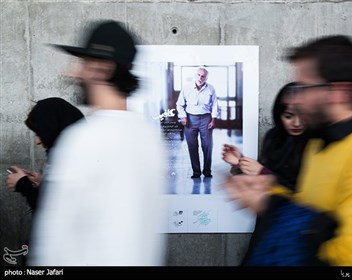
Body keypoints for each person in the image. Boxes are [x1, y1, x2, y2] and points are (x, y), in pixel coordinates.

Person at [224, 35, 352, 266]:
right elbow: (307, 206)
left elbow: (349, 258)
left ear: (340, 92)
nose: (293, 100)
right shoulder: (318, 144)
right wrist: (265, 193)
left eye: (303, 88)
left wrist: (271, 205)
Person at [28, 20, 167, 266]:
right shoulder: (148, 137)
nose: (73, 73)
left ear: (102, 68)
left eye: (83, 64)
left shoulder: (83, 138)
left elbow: (51, 245)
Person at [222, 82, 310, 264]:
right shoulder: (273, 138)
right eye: (288, 116)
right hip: (267, 225)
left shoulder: (316, 143)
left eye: (303, 115)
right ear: (279, 115)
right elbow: (261, 186)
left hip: (297, 231)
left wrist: (263, 172)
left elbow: (306, 196)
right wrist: (239, 163)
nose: (297, 122)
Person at [6, 97, 84, 213]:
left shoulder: (76, 159)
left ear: (52, 129)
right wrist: (43, 183)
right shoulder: (72, 154)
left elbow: (55, 211)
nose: (37, 141)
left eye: (40, 133)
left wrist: (24, 185)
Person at [176, 67, 219, 178]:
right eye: (199, 75)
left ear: (206, 78)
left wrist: (213, 119)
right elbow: (179, 104)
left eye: (203, 76)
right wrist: (183, 117)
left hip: (206, 119)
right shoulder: (187, 88)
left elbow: (215, 105)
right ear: (196, 75)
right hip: (190, 119)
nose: (200, 77)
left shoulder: (211, 89)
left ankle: (207, 171)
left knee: (208, 146)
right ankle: (196, 172)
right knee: (192, 146)